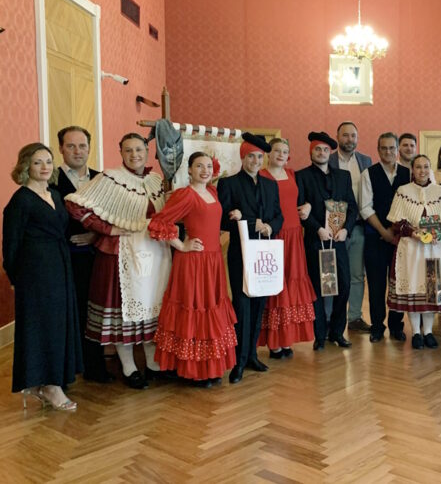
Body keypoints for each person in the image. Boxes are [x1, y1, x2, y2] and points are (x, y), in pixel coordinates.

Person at [66, 132, 170, 389]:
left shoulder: (156, 180)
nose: (134, 155)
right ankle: (129, 366)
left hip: (153, 253)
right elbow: (75, 204)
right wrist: (107, 229)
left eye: (139, 149)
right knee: (124, 311)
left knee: (150, 307)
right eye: (128, 150)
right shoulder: (109, 178)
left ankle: (152, 362)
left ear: (147, 150)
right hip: (119, 253)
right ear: (120, 152)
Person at [147, 152, 238, 387]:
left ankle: (210, 367)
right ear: (189, 170)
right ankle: (194, 370)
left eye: (208, 166)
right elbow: (158, 223)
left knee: (210, 309)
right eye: (199, 166)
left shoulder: (212, 192)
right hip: (194, 263)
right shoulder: (185, 195)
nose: (205, 170)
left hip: (213, 261)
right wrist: (182, 245)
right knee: (195, 308)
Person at [4, 143, 82, 410]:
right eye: (38, 162)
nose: (45, 167)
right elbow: (10, 244)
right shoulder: (21, 199)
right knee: (43, 326)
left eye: (48, 161)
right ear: (26, 166)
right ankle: (50, 386)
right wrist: (15, 278)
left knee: (59, 324)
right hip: (35, 273)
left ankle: (47, 382)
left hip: (59, 267)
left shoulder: (55, 195)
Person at [217, 133, 283, 384]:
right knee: (243, 305)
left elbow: (279, 216)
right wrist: (238, 217)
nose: (255, 161)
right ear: (242, 157)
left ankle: (252, 354)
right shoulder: (229, 184)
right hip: (241, 253)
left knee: (259, 304)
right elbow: (222, 220)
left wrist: (269, 227)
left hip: (265, 254)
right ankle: (238, 360)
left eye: (259, 157)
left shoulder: (270, 185)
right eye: (251, 156)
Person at [50, 126, 112, 383]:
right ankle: (66, 370)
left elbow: (112, 218)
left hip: (98, 256)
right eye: (71, 146)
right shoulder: (51, 180)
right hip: (64, 259)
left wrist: (95, 236)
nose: (77, 151)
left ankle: (94, 365)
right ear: (61, 149)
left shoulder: (102, 179)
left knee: (94, 311)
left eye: (82, 146)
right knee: (69, 312)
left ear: (89, 147)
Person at [296, 131, 358, 350]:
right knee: (318, 289)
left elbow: (352, 207)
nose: (321, 153)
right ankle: (319, 335)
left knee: (343, 285)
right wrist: (318, 229)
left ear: (329, 152)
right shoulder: (301, 176)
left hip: (338, 241)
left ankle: (337, 332)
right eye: (317, 149)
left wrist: (346, 231)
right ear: (311, 152)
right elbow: (300, 210)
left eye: (324, 149)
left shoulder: (343, 176)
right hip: (316, 241)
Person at [387, 155, 441, 349]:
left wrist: (437, 231)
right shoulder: (403, 191)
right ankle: (416, 332)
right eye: (418, 167)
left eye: (426, 166)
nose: (422, 171)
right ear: (413, 170)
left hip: (434, 249)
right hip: (411, 249)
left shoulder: (440, 191)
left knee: (431, 291)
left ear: (430, 168)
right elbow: (396, 222)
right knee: (414, 290)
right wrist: (413, 232)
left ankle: (429, 332)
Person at [258, 138, 316, 359]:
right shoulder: (261, 175)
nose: (281, 155)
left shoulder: (292, 175)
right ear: (268, 154)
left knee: (292, 283)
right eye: (277, 151)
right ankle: (274, 342)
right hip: (274, 235)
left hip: (294, 236)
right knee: (276, 285)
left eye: (285, 151)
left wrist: (308, 206)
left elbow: (303, 200)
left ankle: (286, 338)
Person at [360, 132, 410, 343]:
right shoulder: (368, 174)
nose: (388, 152)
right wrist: (384, 232)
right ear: (378, 150)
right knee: (376, 284)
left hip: (404, 241)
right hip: (376, 238)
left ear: (397, 150)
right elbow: (365, 207)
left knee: (400, 284)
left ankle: (396, 326)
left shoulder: (409, 174)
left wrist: (398, 233)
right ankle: (377, 326)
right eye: (384, 148)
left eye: (392, 148)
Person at [329, 122, 372, 334]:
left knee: (356, 274)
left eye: (353, 135)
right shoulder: (328, 160)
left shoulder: (366, 161)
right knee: (331, 274)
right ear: (337, 137)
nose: (350, 139)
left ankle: (354, 317)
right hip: (332, 228)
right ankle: (330, 319)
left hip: (358, 227)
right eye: (345, 135)